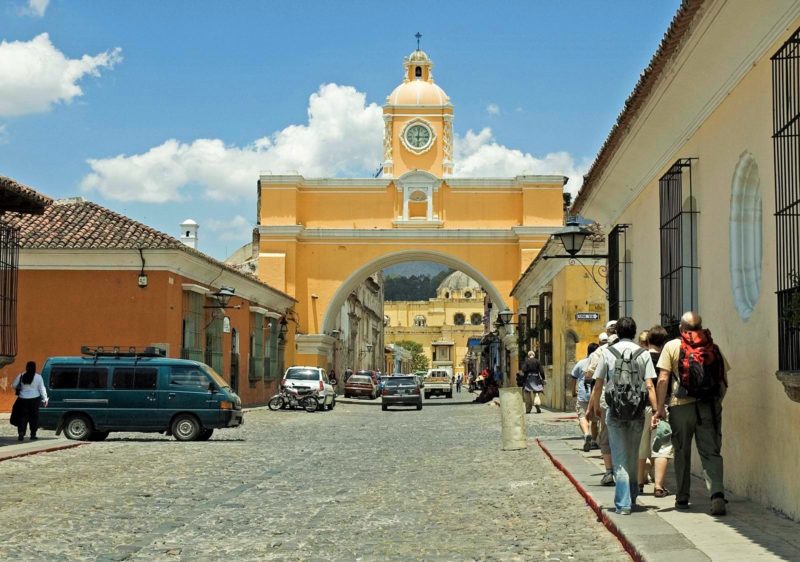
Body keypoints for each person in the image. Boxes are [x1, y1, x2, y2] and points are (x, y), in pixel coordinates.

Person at [654, 311, 729, 515]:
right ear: (700, 326)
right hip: (707, 406)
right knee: (710, 452)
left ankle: (682, 498)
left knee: (682, 452)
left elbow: (662, 379)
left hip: (680, 406)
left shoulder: (672, 346)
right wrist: (715, 404)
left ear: (681, 328)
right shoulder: (713, 347)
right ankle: (717, 495)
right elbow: (723, 382)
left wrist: (660, 408)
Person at [588, 317, 658, 515]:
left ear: (616, 332)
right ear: (635, 332)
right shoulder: (643, 354)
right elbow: (650, 385)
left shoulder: (608, 353)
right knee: (634, 455)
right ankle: (633, 495)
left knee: (619, 458)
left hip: (615, 412)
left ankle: (623, 503)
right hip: (637, 412)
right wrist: (656, 410)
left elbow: (599, 383)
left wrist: (594, 407)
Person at [636, 326, 673, 498]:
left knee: (641, 445)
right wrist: (659, 408)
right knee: (662, 446)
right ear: (664, 341)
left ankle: (639, 483)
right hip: (663, 407)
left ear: (648, 340)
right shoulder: (667, 357)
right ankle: (658, 486)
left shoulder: (640, 357)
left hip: (642, 407)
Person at [585, 323, 617, 485]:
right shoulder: (636, 349)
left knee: (605, 436)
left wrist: (592, 406)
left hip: (607, 399)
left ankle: (610, 471)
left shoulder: (601, 352)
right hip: (632, 400)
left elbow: (592, 377)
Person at [11, 361, 49, 441]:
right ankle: (33, 434)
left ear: (26, 367)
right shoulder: (38, 377)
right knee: (34, 418)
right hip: (35, 399)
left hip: (22, 399)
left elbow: (14, 385)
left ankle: (21, 433)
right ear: (35, 368)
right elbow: (42, 388)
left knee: (22, 417)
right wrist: (45, 399)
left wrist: (21, 389)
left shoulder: (21, 375)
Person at [572, 342, 599, 451]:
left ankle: (586, 433)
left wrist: (573, 391)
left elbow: (573, 378)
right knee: (595, 420)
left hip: (583, 393)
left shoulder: (580, 363)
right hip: (595, 393)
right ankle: (593, 441)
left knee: (582, 416)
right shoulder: (599, 362)